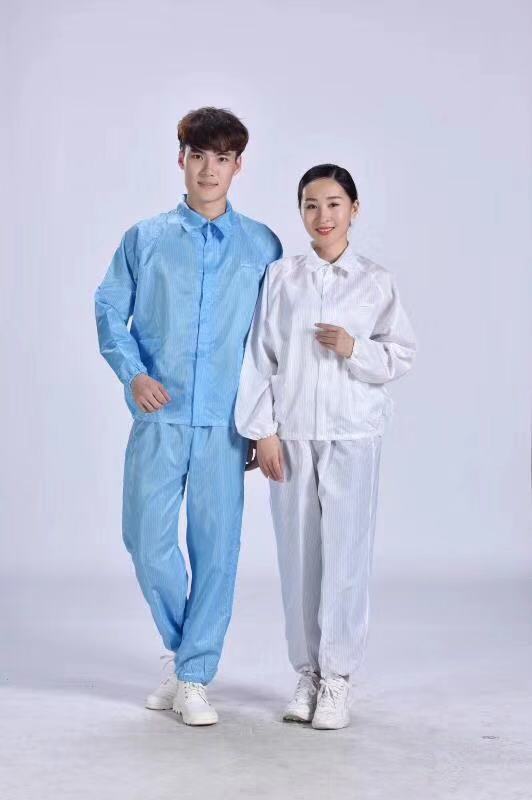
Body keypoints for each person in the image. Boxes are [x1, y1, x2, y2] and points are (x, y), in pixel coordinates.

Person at [94, 107, 282, 726]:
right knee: (144, 541)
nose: (208, 170)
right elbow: (109, 310)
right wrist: (134, 374)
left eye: (221, 159)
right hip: (160, 418)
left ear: (237, 166)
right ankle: (186, 658)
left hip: (226, 426)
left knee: (216, 550)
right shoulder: (144, 239)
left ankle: (194, 675)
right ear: (181, 159)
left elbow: (272, 343)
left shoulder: (262, 246)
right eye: (198, 156)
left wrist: (264, 422)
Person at [234, 164, 416, 730]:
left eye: (334, 204)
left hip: (352, 432)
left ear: (354, 210)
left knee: (345, 554)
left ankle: (337, 677)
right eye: (311, 205)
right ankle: (307, 672)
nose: (323, 216)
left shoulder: (375, 281)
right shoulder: (282, 277)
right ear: (301, 212)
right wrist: (262, 430)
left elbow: (401, 354)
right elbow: (259, 356)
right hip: (292, 435)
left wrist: (354, 347)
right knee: (297, 558)